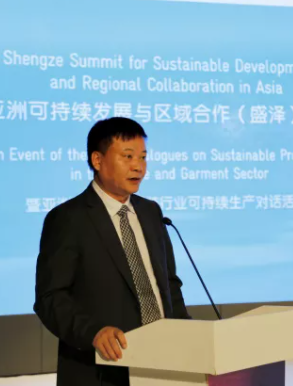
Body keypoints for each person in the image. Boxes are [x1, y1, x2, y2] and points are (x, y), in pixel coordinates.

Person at [34, 117, 191, 386]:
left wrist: (188, 334)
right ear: (97, 160)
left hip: (163, 364)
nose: (138, 166)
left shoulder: (151, 212)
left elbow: (169, 284)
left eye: (143, 157)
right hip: (103, 369)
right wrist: (93, 333)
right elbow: (50, 298)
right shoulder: (68, 218)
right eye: (127, 156)